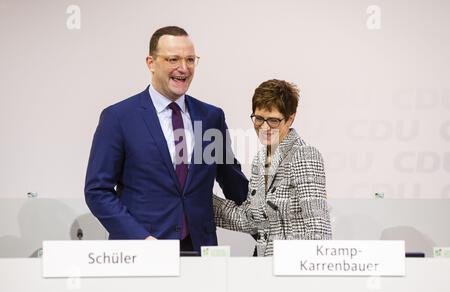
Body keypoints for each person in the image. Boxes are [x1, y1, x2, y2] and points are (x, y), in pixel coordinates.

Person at [84, 26, 248, 253]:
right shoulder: (118, 118)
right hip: (143, 250)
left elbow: (233, 182)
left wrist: (274, 212)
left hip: (201, 250)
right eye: (173, 59)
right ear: (150, 63)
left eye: (190, 60)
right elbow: (97, 191)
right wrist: (140, 238)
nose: (183, 68)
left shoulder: (211, 117)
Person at [213, 79, 332, 256]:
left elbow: (318, 228)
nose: (264, 127)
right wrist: (197, 199)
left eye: (274, 121)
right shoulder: (259, 160)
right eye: (259, 118)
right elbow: (250, 220)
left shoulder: (304, 154)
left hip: (294, 270)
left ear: (290, 118)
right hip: (265, 269)